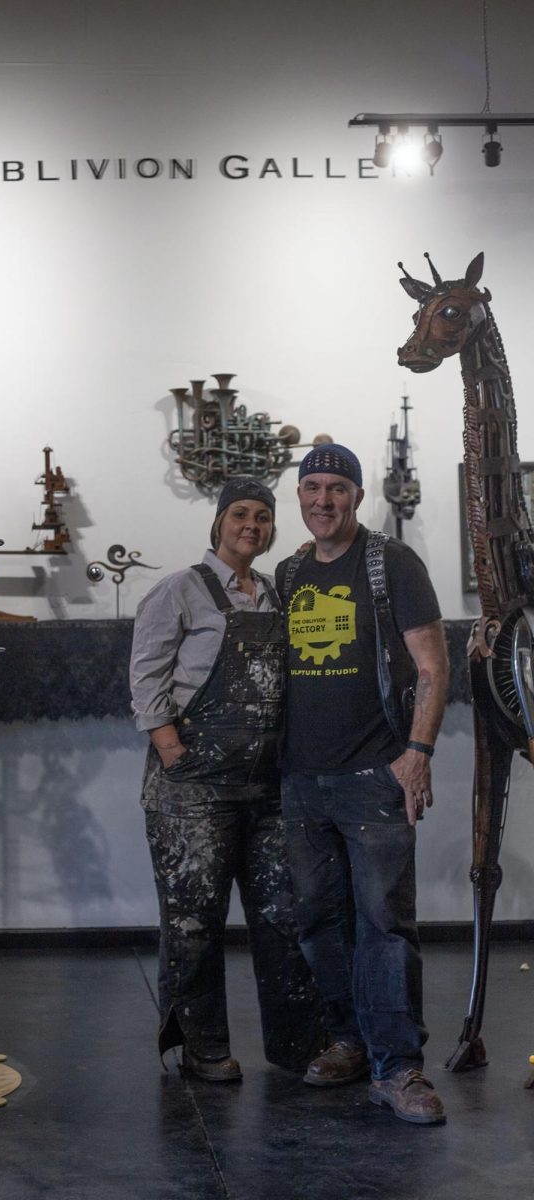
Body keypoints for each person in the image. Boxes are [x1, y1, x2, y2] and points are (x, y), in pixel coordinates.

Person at [129, 477, 324, 1083]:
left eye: (264, 517)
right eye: (241, 514)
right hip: (193, 786)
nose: (253, 525)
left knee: (283, 915)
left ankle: (299, 1046)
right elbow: (146, 676)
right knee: (194, 920)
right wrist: (171, 750)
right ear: (217, 523)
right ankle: (202, 1047)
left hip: (266, 787)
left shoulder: (273, 592)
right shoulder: (179, 589)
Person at [276, 443, 449, 1125]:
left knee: (384, 923)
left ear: (356, 495)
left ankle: (399, 1067)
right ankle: (350, 1041)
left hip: (374, 772)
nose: (323, 500)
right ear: (299, 496)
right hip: (299, 779)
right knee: (320, 922)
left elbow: (432, 666)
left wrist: (417, 751)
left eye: (336, 488)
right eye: (311, 487)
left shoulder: (391, 563)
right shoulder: (289, 572)